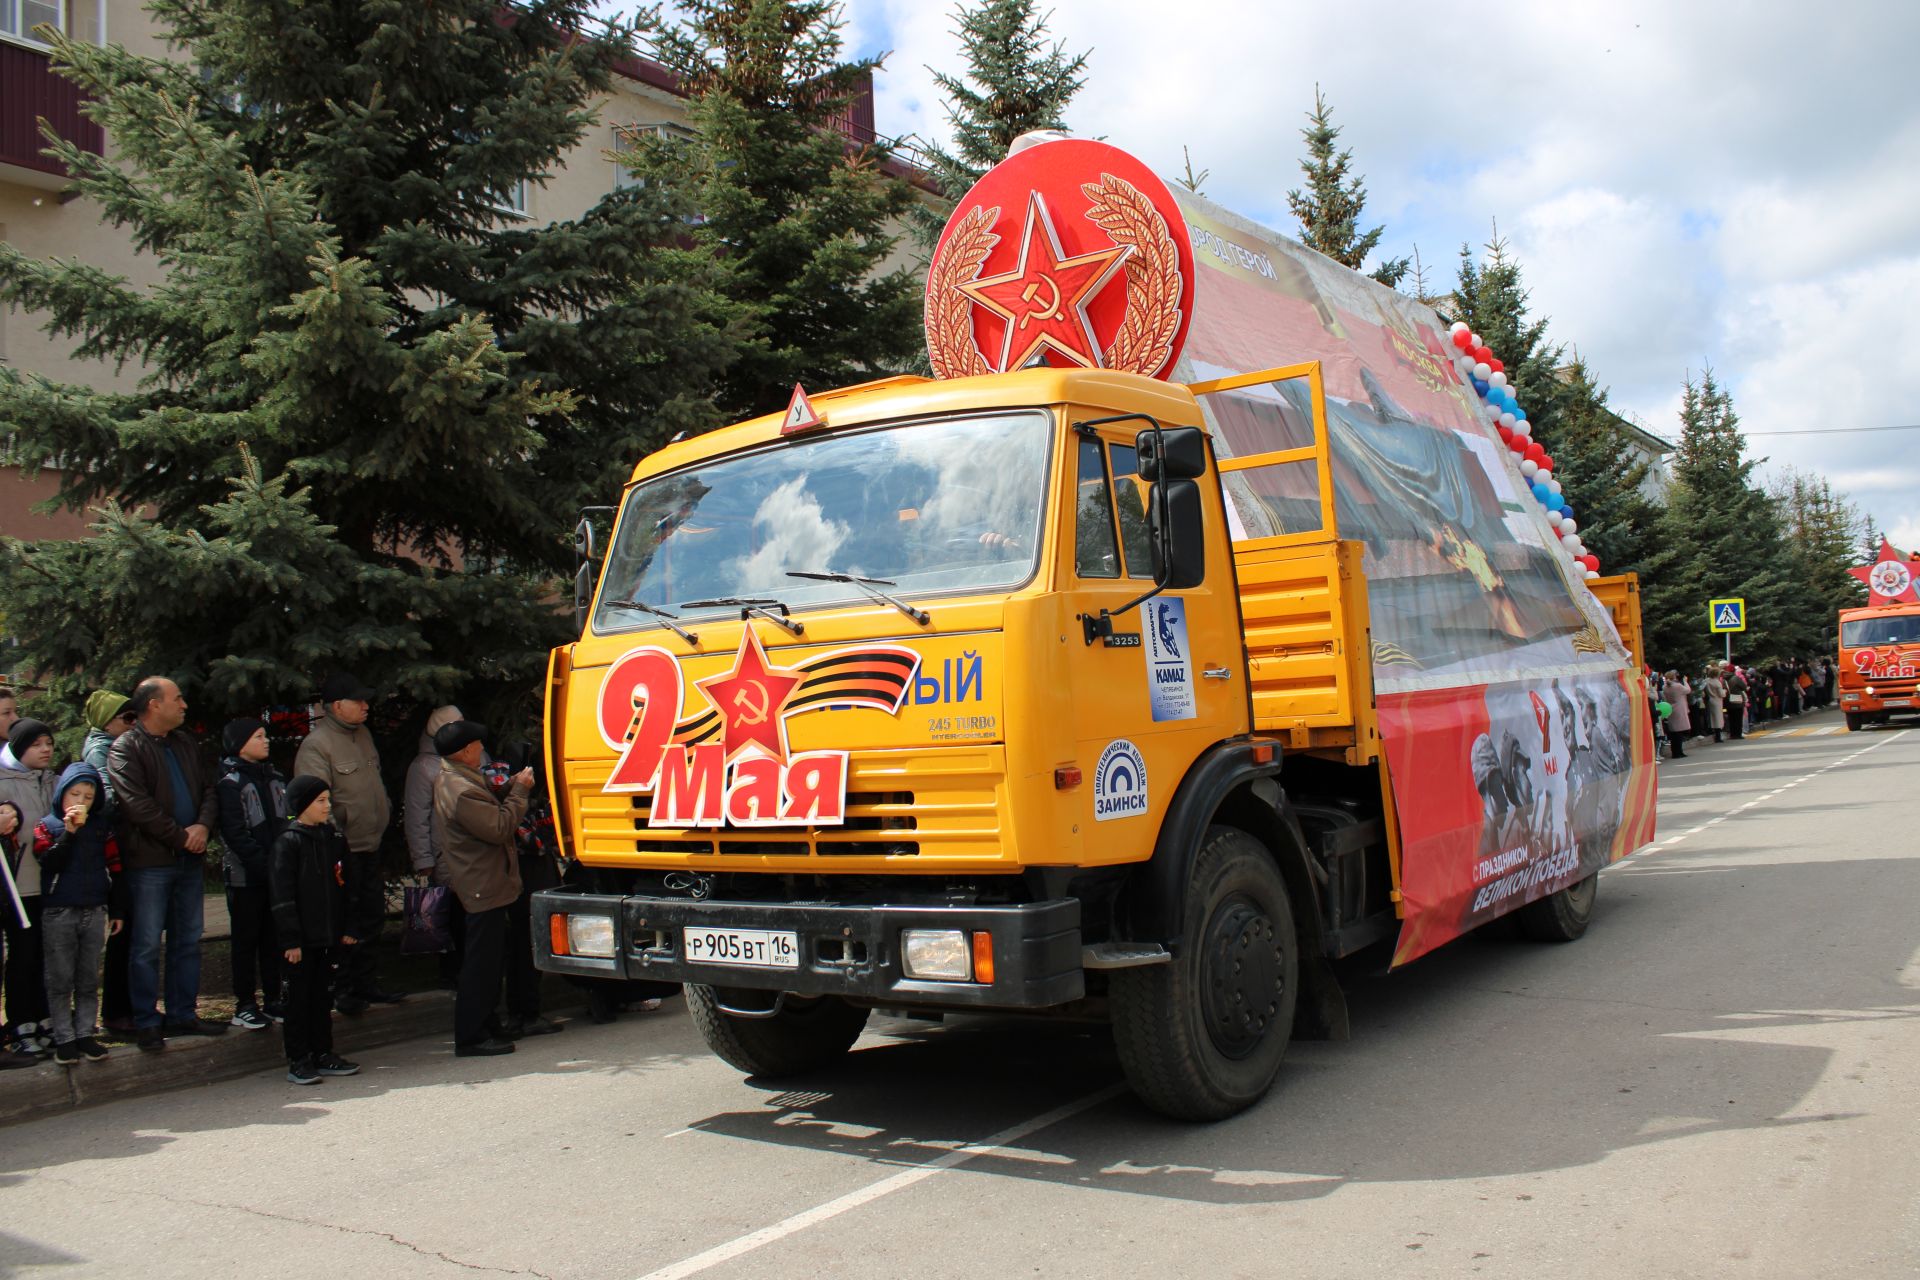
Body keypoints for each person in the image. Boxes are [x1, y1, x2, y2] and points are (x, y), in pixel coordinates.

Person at [107, 677, 227, 1049]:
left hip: (188, 859)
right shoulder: (125, 748)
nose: (185, 704)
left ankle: (182, 1014)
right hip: (150, 862)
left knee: (188, 940)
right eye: (177, 698)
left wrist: (203, 826)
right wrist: (182, 836)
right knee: (145, 945)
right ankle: (146, 1022)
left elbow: (210, 788)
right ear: (154, 705)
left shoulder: (185, 742)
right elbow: (137, 805)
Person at [294, 672, 400, 1014]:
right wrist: (334, 846)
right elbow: (314, 801)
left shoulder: (363, 735)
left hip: (371, 844)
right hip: (343, 850)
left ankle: (366, 983)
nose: (366, 706)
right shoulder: (317, 745)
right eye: (359, 701)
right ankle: (344, 990)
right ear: (337, 706)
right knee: (347, 920)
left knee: (371, 916)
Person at [431, 720, 531, 1057]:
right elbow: (500, 826)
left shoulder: (458, 777)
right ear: (464, 751)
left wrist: (508, 787)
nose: (481, 749)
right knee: (481, 963)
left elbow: (487, 804)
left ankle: (486, 1023)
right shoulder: (459, 788)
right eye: (476, 744)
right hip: (481, 883)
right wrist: (520, 792)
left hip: (484, 881)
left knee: (490, 959)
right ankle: (471, 1035)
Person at [270, 776, 361, 1085]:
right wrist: (290, 939)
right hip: (301, 940)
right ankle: (299, 1058)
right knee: (297, 999)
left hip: (328, 935)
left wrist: (348, 926)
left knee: (323, 997)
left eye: (328, 800)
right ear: (301, 806)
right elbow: (282, 895)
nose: (327, 806)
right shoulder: (289, 842)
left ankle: (323, 1053)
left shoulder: (334, 838)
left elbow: (348, 886)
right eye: (320, 801)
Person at [32, 762, 125, 1065]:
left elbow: (115, 867)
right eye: (75, 794)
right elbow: (48, 862)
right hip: (59, 910)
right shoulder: (48, 825)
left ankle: (86, 1033)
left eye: (88, 796)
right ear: (62, 794)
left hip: (94, 908)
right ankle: (64, 1038)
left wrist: (116, 908)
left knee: (87, 977)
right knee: (60, 978)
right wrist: (68, 834)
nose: (81, 802)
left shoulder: (101, 827)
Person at [217, 719, 287, 1031]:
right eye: (259, 736)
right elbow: (235, 832)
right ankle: (245, 1003)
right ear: (240, 743)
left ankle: (274, 997)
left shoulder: (275, 777)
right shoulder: (230, 781)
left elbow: (286, 818)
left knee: (273, 939)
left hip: (276, 872)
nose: (266, 740)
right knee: (246, 940)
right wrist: (264, 865)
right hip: (245, 876)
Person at [80, 690, 137, 1032]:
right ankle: (116, 1012)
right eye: (126, 718)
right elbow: (107, 800)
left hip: (123, 847)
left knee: (129, 930)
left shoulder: (115, 745)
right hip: (114, 850)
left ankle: (122, 1008)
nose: (132, 724)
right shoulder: (100, 749)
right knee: (122, 929)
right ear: (106, 721)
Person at [0, 718, 57, 1053]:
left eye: (48, 743)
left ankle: (44, 1018)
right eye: (37, 745)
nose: (45, 749)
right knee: (22, 957)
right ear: (20, 748)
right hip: (18, 887)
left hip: (49, 883)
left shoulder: (53, 780)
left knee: (44, 956)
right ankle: (21, 1024)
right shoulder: (4, 781)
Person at [498, 741, 561, 1040]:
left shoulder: (511, 795)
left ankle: (522, 1012)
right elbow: (535, 842)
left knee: (525, 945)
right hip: (530, 876)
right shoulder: (517, 799)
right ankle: (525, 1012)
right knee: (528, 944)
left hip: (527, 875)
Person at [406, 705, 468, 988]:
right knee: (450, 915)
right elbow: (417, 817)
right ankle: (451, 972)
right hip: (444, 853)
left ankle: (469, 967)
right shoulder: (424, 767)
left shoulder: (470, 755)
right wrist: (423, 859)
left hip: (472, 852)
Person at [1661, 671, 1692, 759]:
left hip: (1671, 708)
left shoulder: (1665, 687)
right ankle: (1679, 751)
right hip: (1679, 709)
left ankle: (1675, 751)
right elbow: (1688, 690)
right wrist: (1685, 681)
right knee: (1679, 732)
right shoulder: (1677, 686)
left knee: (1674, 732)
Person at [1701, 666, 1726, 744]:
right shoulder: (1717, 682)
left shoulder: (1706, 681)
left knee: (1712, 717)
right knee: (1718, 718)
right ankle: (1718, 736)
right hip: (1717, 700)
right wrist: (1724, 691)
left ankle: (1712, 731)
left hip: (1710, 700)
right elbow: (1721, 694)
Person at [1724, 663, 1748, 739]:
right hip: (1737, 700)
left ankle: (1732, 734)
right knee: (1738, 718)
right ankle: (1738, 734)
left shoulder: (1723, 679)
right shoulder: (1735, 678)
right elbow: (1744, 686)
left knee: (1731, 718)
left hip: (1727, 700)